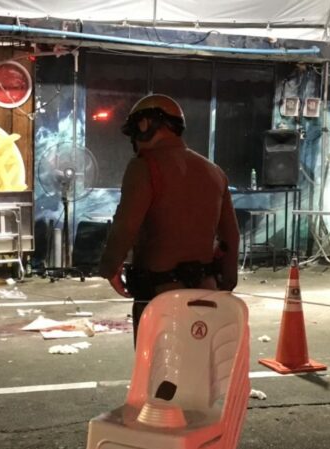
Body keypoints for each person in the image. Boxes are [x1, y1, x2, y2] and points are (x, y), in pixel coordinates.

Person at [98, 94, 240, 341]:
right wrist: (226, 283)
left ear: (145, 125)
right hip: (206, 293)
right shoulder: (214, 172)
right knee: (200, 369)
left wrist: (110, 267)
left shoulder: (144, 166)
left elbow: (126, 225)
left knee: (157, 373)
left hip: (159, 295)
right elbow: (231, 236)